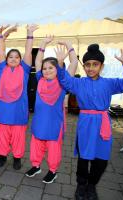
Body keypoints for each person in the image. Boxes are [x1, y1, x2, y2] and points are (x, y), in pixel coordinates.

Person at [58, 44, 123, 199]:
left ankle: (91, 185)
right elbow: (64, 81)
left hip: (103, 124)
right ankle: (81, 185)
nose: (91, 68)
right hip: (85, 124)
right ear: (84, 66)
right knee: (83, 157)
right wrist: (60, 64)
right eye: (87, 64)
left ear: (101, 66)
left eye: (95, 64)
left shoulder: (109, 83)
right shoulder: (79, 83)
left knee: (101, 159)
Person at [26, 36, 78, 183]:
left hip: (54, 124)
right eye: (45, 68)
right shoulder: (39, 79)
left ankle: (52, 171)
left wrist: (69, 45)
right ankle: (36, 166)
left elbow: (74, 62)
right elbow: (37, 61)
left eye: (51, 67)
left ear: (58, 69)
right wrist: (42, 44)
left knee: (53, 149)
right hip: (39, 122)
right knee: (36, 144)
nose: (47, 70)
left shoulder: (63, 82)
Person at [0, 24, 37, 170]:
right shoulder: (2, 68)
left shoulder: (24, 69)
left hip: (19, 110)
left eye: (16, 57)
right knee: (2, 135)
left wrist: (29, 33)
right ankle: (2, 155)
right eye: (10, 57)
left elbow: (28, 51)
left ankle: (17, 157)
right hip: (3, 110)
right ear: (6, 59)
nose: (13, 59)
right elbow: (1, 49)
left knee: (18, 136)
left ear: (20, 59)